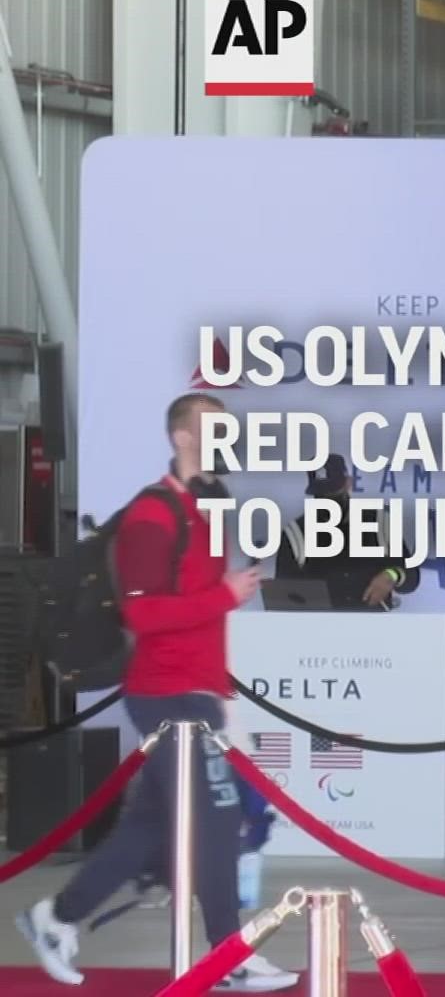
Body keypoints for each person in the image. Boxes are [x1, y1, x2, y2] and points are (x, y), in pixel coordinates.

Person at [15, 393, 299, 992]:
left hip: (201, 692)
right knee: (220, 816)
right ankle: (229, 956)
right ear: (181, 437)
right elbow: (143, 617)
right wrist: (225, 595)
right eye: (211, 427)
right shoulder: (153, 516)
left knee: (148, 827)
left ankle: (56, 917)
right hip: (168, 696)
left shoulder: (207, 510)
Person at [274, 453, 419, 608]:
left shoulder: (379, 521)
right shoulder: (295, 532)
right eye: (321, 494)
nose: (328, 499)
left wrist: (391, 575)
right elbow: (283, 598)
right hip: (318, 627)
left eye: (333, 491)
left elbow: (412, 578)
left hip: (374, 626)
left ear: (348, 483)